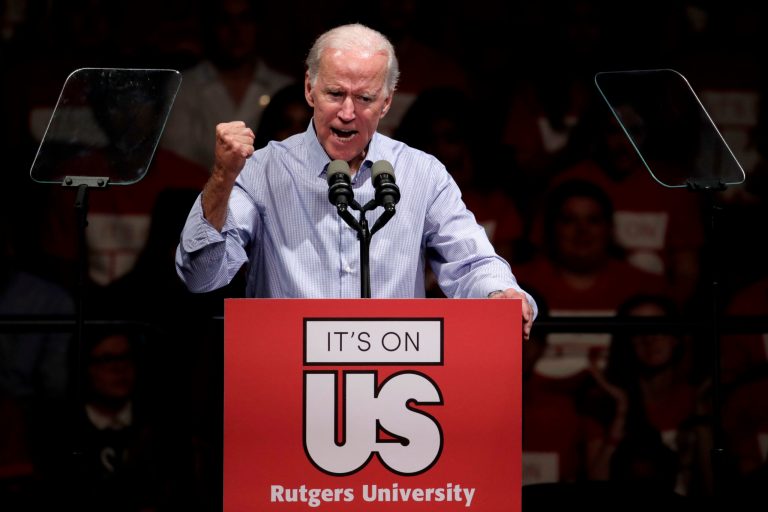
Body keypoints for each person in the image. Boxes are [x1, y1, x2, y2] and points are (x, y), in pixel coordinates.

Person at [175, 23, 536, 339]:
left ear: (387, 102)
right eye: (335, 94)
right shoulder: (262, 170)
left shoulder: (421, 173)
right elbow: (201, 275)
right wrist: (222, 177)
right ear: (309, 89)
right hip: (285, 374)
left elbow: (471, 262)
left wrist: (501, 293)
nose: (347, 113)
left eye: (364, 98)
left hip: (395, 380)